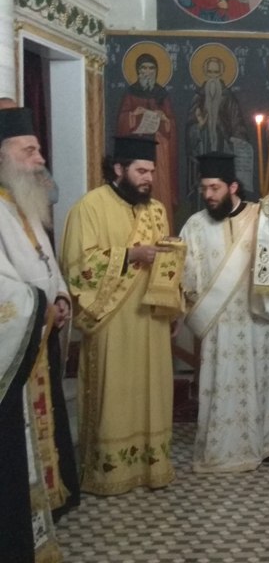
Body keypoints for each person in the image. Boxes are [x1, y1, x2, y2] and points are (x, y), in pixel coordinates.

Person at [62, 136, 181, 495]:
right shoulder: (90, 207)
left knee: (152, 391)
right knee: (115, 393)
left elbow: (166, 263)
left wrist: (172, 303)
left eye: (151, 172)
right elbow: (78, 265)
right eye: (141, 171)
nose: (148, 179)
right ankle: (109, 473)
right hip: (112, 319)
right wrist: (130, 255)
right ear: (118, 168)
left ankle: (152, 466)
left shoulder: (156, 210)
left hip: (151, 319)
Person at [180, 152, 269, 472]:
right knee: (223, 382)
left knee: (265, 376)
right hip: (221, 324)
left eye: (214, 188)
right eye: (204, 188)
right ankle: (224, 449)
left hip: (260, 317)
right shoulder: (195, 225)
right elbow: (186, 272)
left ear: (232, 187)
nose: (208, 195)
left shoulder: (263, 217)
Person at [0, 107, 63, 561]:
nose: (40, 159)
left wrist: (60, 297)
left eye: (38, 149)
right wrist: (40, 307)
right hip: (17, 347)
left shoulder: (21, 203)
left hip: (40, 337)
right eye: (30, 150)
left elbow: (46, 264)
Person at [117, 53, 179, 224]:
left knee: (160, 188)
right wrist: (133, 115)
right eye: (144, 68)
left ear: (156, 71)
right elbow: (122, 120)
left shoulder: (162, 94)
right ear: (138, 71)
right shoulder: (131, 92)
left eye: (151, 68)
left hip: (159, 149)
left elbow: (171, 125)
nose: (147, 72)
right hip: (136, 150)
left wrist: (164, 119)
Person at [187, 54, 250, 201]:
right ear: (205, 73)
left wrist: (235, 138)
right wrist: (199, 126)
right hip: (203, 151)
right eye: (210, 72)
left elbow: (238, 124)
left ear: (221, 74)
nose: (213, 76)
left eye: (216, 72)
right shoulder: (198, 97)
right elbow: (189, 130)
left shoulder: (228, 98)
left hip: (225, 150)